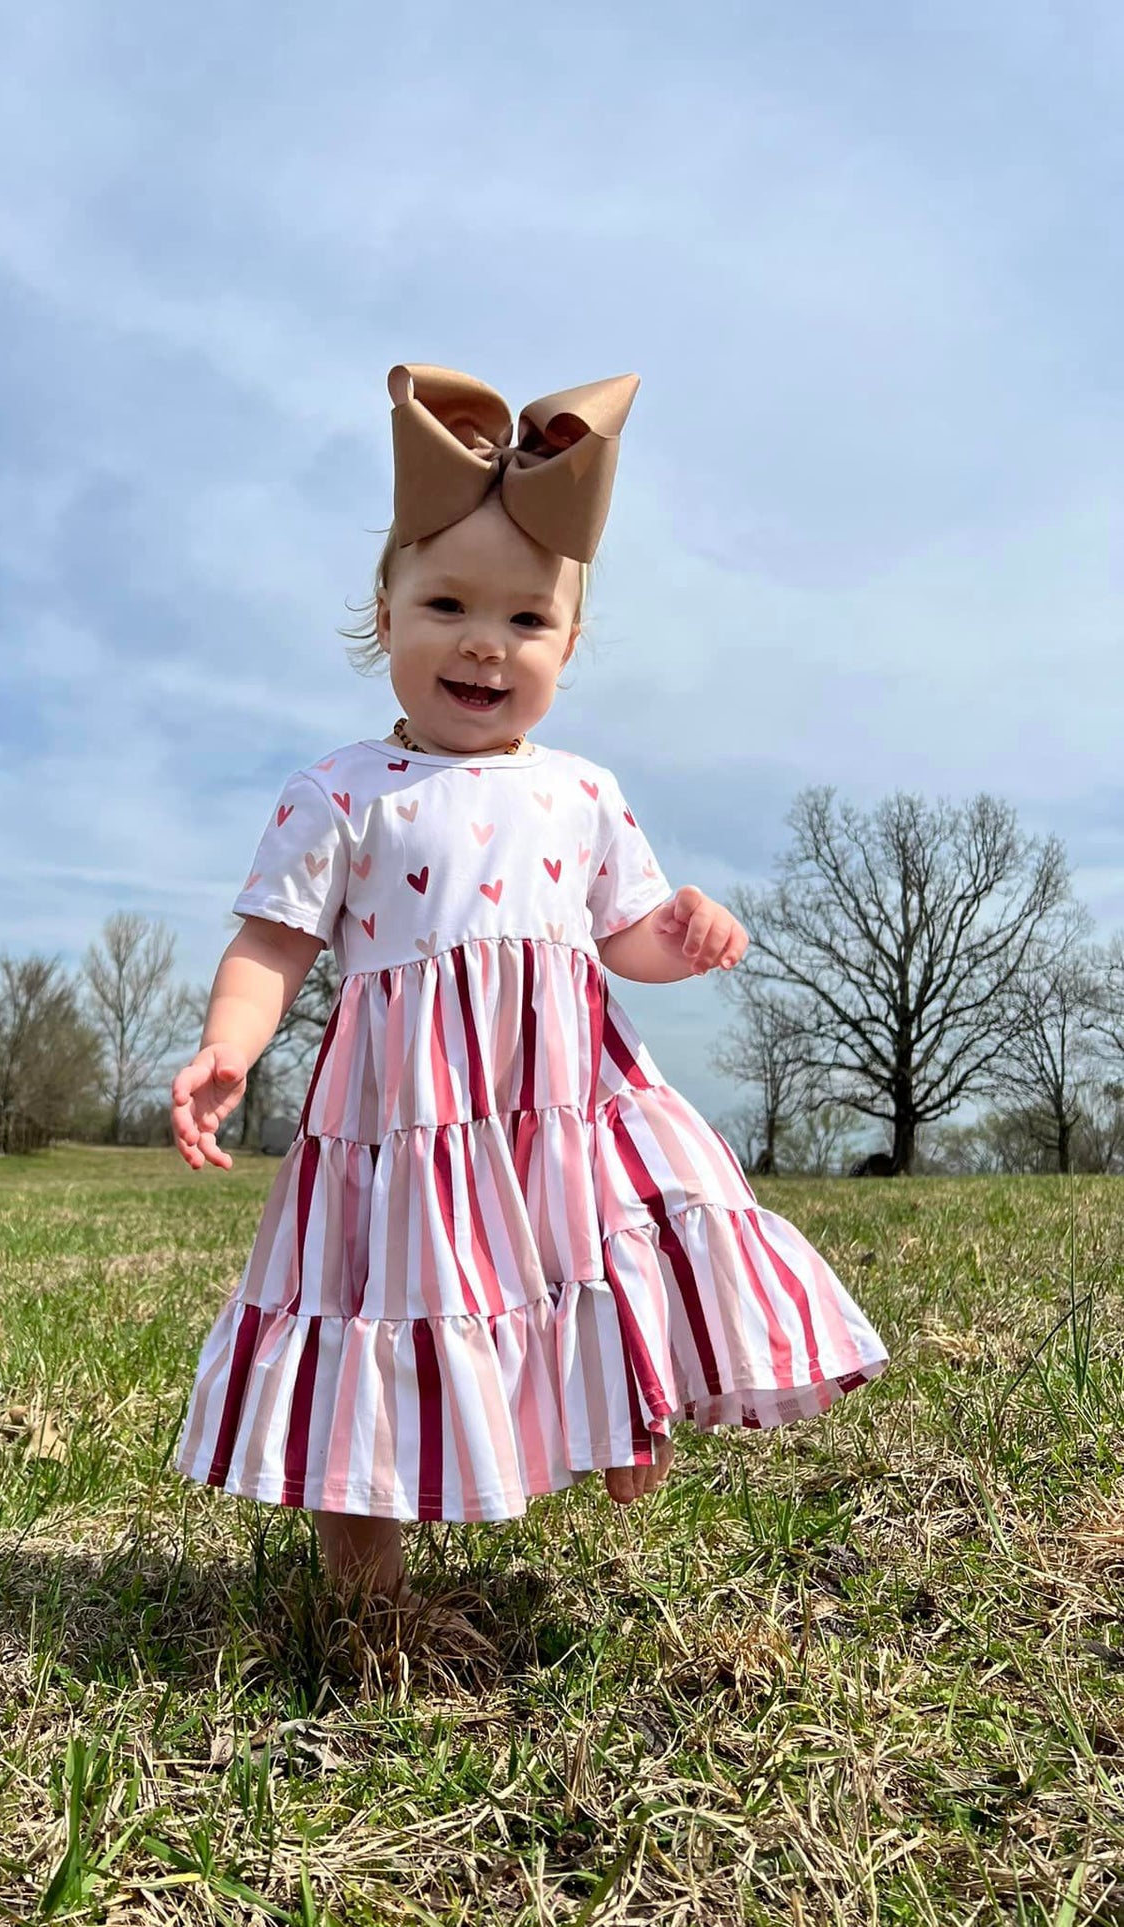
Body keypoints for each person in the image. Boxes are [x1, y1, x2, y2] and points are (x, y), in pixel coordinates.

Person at [170, 363, 888, 1612]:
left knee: (611, 1262)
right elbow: (273, 941)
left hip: (558, 1106)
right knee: (379, 1322)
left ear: (566, 643)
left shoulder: (581, 790)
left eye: (525, 620)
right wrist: (228, 1046)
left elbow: (625, 937)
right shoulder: (342, 790)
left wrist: (688, 927)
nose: (482, 641)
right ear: (381, 618)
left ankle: (607, 1425)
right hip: (406, 1129)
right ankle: (363, 1594)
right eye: (444, 602)